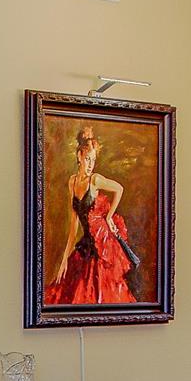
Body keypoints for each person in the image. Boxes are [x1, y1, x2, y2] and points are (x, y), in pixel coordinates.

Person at [48, 125, 138, 305]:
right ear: (79, 156)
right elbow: (73, 227)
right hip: (84, 247)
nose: (91, 164)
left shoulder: (95, 180)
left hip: (99, 247)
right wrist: (64, 260)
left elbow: (119, 189)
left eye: (94, 160)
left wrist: (109, 216)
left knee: (100, 293)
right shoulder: (72, 182)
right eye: (88, 159)